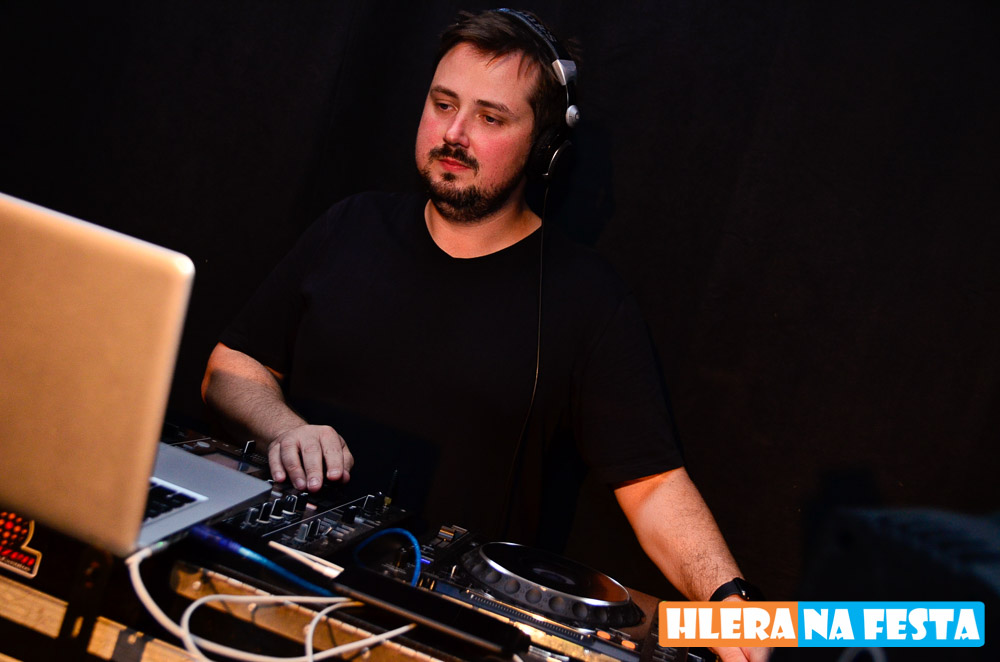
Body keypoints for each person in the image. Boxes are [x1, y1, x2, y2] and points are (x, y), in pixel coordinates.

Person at [202, 9, 768, 661]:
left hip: (440, 634)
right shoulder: (350, 226)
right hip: (269, 585)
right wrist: (286, 428)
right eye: (443, 105)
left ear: (545, 148)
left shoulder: (587, 298)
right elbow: (230, 366)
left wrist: (732, 605)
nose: (454, 133)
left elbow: (653, 484)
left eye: (491, 118)